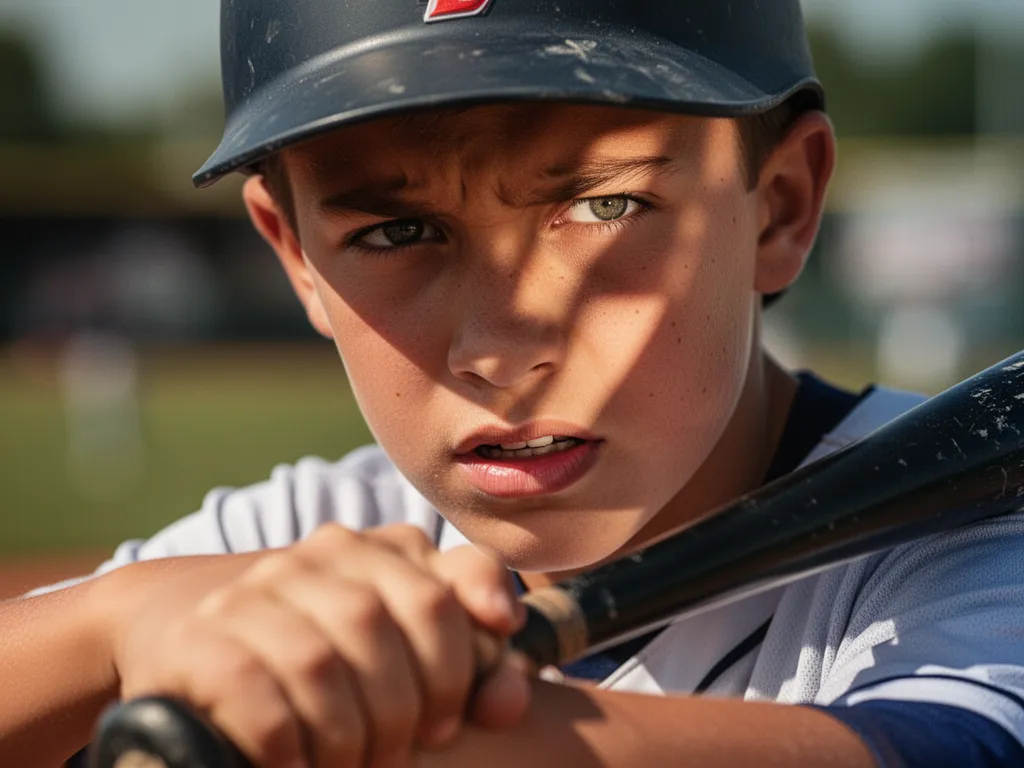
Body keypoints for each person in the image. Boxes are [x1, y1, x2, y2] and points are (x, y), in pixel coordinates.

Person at [6, 2, 1024, 766]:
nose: (497, 347)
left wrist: (423, 726)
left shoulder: (968, 536)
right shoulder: (317, 536)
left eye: (605, 205)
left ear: (780, 206)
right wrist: (122, 620)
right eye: (396, 232)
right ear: (297, 255)